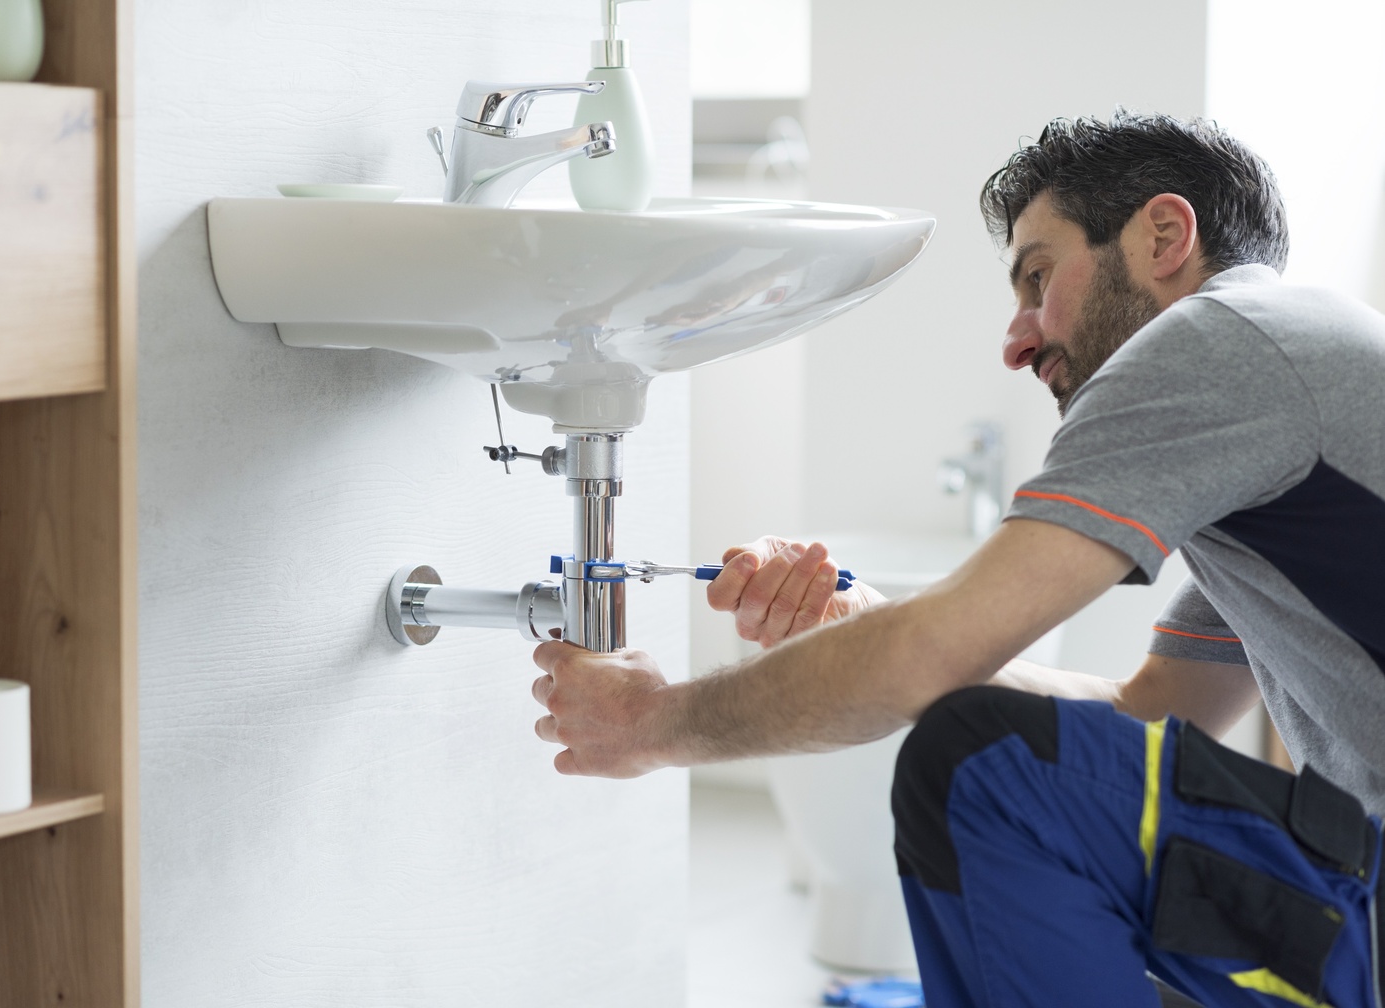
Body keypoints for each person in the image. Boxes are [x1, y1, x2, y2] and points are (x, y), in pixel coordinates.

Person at [530, 109, 1385, 1007]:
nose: (1017, 340)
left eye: (1039, 277)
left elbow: (928, 664)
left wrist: (649, 722)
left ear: (1164, 235)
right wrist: (863, 624)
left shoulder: (1218, 342)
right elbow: (1154, 709)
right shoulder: (1288, 400)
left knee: (984, 765)